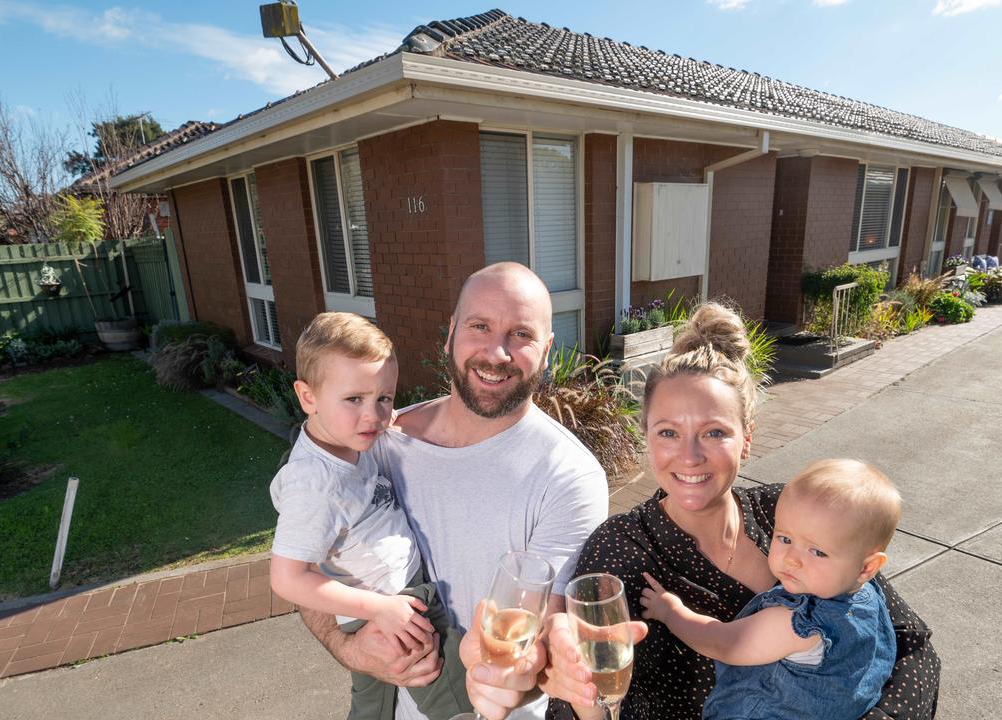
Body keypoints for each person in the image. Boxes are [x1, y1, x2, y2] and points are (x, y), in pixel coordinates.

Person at [544, 302, 940, 720]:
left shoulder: (788, 511)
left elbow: (912, 644)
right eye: (668, 432)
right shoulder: (622, 549)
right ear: (647, 438)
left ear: (746, 439)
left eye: (714, 432)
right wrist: (581, 694)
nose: (690, 455)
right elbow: (574, 702)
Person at [299, 263, 610, 720]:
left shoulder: (568, 477)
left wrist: (513, 672)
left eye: (520, 334)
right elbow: (306, 563)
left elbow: (541, 631)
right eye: (479, 326)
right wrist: (350, 649)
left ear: (545, 351)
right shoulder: (378, 441)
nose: (496, 352)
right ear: (450, 333)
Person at [268, 312, 472, 720]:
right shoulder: (316, 485)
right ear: (308, 397)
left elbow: (374, 418)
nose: (374, 416)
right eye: (354, 399)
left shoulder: (344, 441)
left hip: (379, 606)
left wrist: (383, 417)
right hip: (396, 605)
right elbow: (286, 578)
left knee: (372, 704)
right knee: (457, 700)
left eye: (384, 397)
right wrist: (378, 610)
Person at [640, 458, 902, 720]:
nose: (791, 558)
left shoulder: (798, 623)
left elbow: (723, 642)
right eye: (785, 538)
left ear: (867, 567)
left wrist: (670, 611)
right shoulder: (868, 596)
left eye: (817, 551)